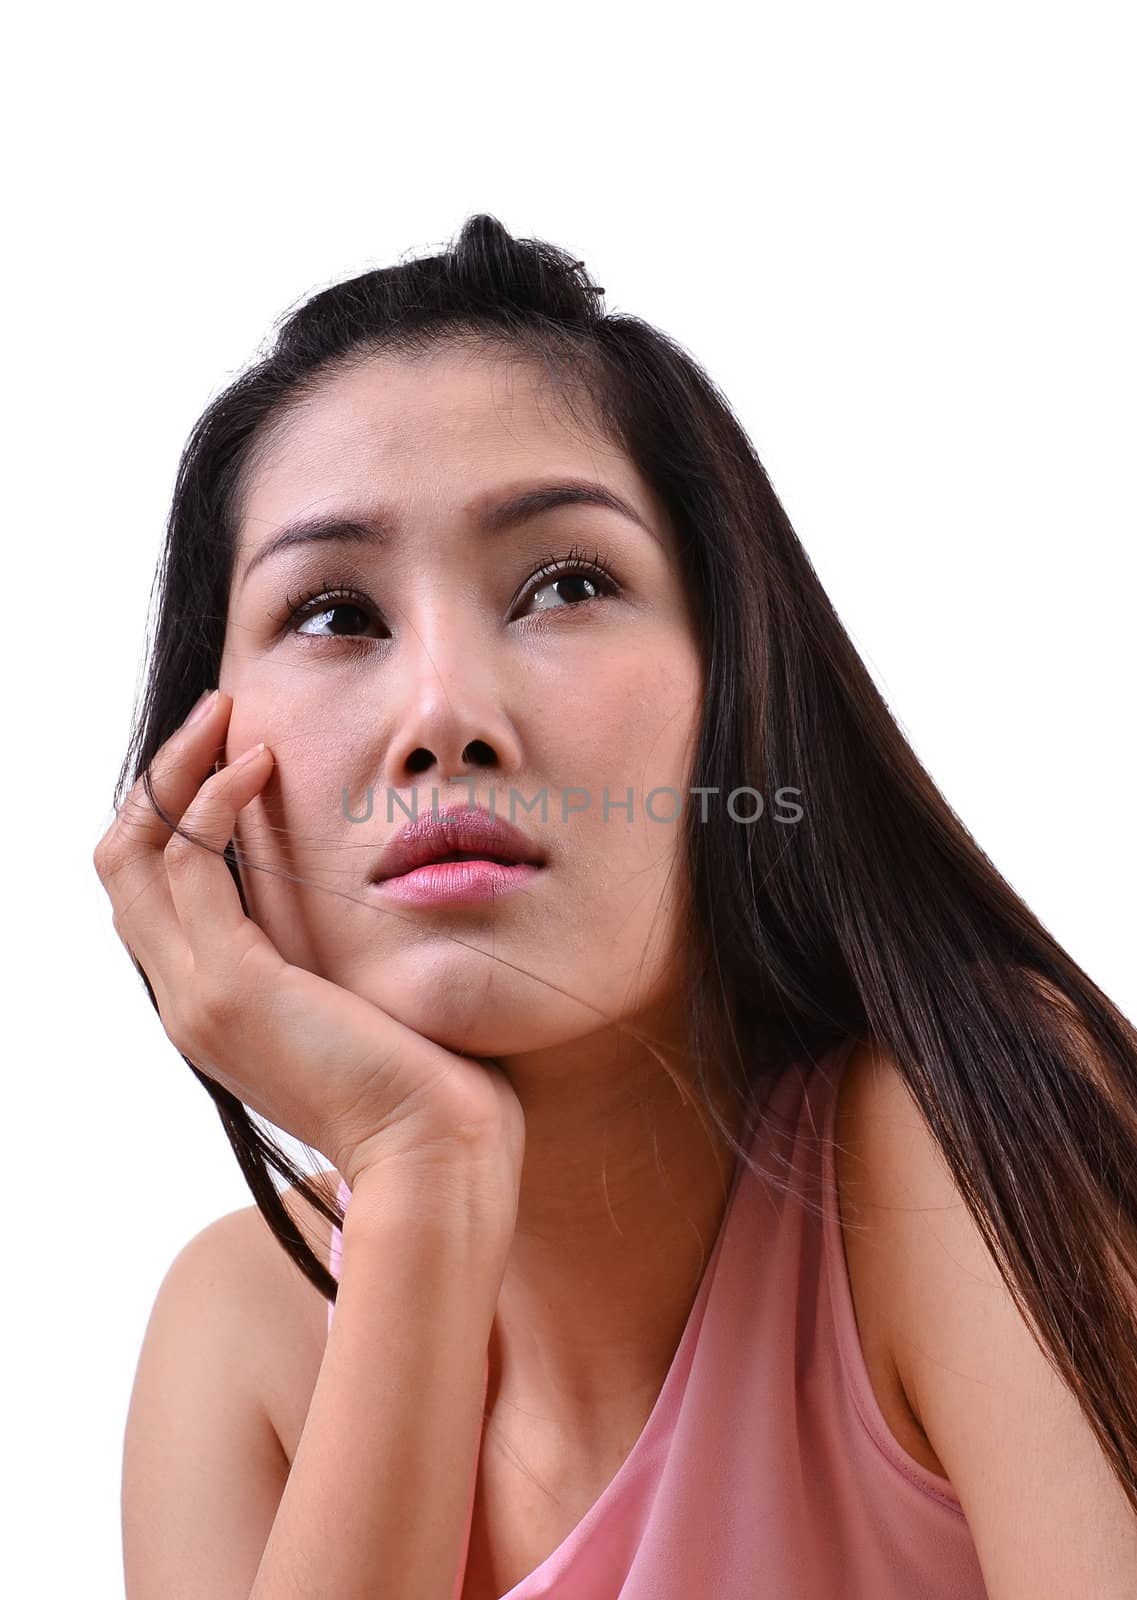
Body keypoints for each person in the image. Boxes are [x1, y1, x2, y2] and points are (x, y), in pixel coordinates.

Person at [96, 213, 1137, 1598]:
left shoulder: (952, 1142)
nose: (444, 715)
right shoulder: (242, 1336)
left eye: (566, 583)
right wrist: (421, 1170)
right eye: (336, 614)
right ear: (204, 772)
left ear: (737, 699)